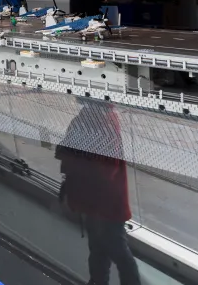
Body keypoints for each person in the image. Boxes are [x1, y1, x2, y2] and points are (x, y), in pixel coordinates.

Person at [55, 102, 141, 285]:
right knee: (101, 248)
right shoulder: (94, 119)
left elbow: (104, 168)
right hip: (100, 200)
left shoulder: (99, 122)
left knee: (114, 250)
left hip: (103, 201)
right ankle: (97, 281)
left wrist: (74, 164)